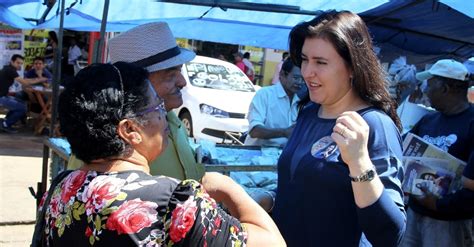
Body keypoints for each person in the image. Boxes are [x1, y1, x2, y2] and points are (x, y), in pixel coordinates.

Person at [33, 62, 285, 246]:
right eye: (158, 106)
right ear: (130, 129)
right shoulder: (172, 202)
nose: (164, 115)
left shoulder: (61, 188)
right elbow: (273, 243)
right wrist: (229, 188)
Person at [270, 10, 406, 246]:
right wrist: (270, 198)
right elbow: (307, 189)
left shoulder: (374, 125)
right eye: (304, 59)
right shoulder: (309, 112)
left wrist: (359, 162)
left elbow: (389, 234)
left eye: (320, 62)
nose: (307, 72)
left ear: (353, 67)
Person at [67, 22, 205, 181]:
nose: (182, 82)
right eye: (170, 74)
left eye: (179, 71)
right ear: (139, 84)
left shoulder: (173, 121)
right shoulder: (104, 141)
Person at [400, 59, 474, 247]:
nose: (425, 90)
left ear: (445, 89)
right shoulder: (427, 120)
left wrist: (438, 205)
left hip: (448, 223)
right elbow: (402, 147)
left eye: (430, 84)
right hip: (415, 213)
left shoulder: (471, 124)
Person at [244, 58, 303, 147]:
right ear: (282, 75)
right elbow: (254, 131)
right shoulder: (264, 94)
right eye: (296, 78)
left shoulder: (300, 101)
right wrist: (284, 132)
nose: (300, 82)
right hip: (257, 154)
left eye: (303, 79)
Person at [0, 54, 47, 133]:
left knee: (22, 103)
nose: (19, 65)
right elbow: (25, 83)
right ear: (12, 61)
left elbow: (26, 82)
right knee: (22, 108)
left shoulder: (9, 69)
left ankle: (5, 121)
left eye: (21, 63)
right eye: (18, 63)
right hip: (1, 97)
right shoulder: (10, 70)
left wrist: (38, 79)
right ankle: (5, 124)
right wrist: (40, 79)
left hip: (4, 96)